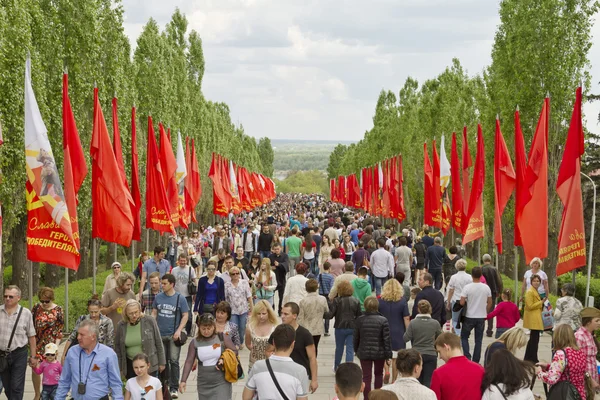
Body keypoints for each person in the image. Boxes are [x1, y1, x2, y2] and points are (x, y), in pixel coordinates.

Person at [56, 319, 123, 400]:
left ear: (93, 337)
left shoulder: (108, 354)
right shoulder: (72, 352)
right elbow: (64, 381)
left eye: (82, 335)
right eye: (78, 334)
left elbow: (115, 384)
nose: (78, 337)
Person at [243, 324, 309, 400]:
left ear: (273, 342)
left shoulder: (258, 366)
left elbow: (246, 397)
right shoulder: (300, 371)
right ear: (293, 344)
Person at [179, 313, 238, 399]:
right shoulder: (194, 343)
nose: (206, 331)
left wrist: (224, 359)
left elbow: (235, 351)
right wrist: (183, 380)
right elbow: (189, 361)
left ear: (214, 327)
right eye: (203, 329)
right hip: (204, 382)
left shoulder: (222, 338)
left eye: (209, 328)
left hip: (221, 381)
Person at [152, 273, 189, 398]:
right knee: (162, 361)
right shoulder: (158, 298)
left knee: (174, 361)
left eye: (164, 283)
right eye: (161, 283)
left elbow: (185, 315)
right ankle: (163, 385)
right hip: (160, 335)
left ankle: (174, 387)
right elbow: (154, 313)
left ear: (172, 284)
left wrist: (179, 330)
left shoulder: (180, 298)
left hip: (173, 335)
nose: (162, 286)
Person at [0, 285, 38, 400]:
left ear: (18, 298)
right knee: (8, 387)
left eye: (11, 296)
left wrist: (33, 356)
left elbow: (32, 336)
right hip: (2, 355)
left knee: (17, 386)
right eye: (5, 296)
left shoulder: (26, 313)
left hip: (19, 354)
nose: (7, 299)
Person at [115, 300, 165, 380]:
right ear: (126, 313)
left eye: (136, 312)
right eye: (130, 313)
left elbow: (158, 342)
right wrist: (120, 367)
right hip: (130, 365)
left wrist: (162, 362)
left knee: (149, 389)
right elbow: (118, 348)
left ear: (140, 310)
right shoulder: (121, 325)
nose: (134, 315)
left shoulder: (149, 321)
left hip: (149, 364)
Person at [354, 296, 392, 399]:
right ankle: (377, 397)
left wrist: (356, 350)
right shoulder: (383, 320)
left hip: (364, 351)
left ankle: (367, 398)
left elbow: (356, 337)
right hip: (379, 352)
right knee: (378, 374)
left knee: (366, 376)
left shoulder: (359, 320)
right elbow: (386, 339)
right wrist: (388, 355)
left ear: (365, 306)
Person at [536, 324, 587, 399]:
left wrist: (539, 372)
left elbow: (551, 379)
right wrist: (548, 366)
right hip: (578, 393)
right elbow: (569, 368)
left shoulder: (561, 354)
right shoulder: (580, 352)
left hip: (565, 394)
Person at [31, 286, 64, 400]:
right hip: (38, 342)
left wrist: (56, 347)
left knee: (50, 368)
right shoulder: (36, 308)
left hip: (51, 345)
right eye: (42, 301)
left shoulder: (58, 309)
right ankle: (36, 394)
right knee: (35, 368)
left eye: (47, 301)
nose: (44, 303)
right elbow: (31, 325)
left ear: (52, 299)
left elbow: (60, 330)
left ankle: (51, 391)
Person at [430, 332, 485, 400]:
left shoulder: (439, 373)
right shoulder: (480, 370)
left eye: (439, 352)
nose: (440, 357)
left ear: (446, 347)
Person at [62, 297, 114, 364]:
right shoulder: (82, 319)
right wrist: (64, 355)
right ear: (88, 309)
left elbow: (110, 342)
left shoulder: (107, 321)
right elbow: (72, 337)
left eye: (96, 312)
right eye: (91, 312)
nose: (93, 315)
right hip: (83, 353)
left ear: (101, 308)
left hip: (100, 354)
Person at [281, 302, 319, 393]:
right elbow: (269, 350)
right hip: (282, 374)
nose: (282, 316)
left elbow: (312, 358)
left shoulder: (305, 334)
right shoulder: (279, 331)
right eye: (281, 313)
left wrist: (314, 380)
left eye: (286, 314)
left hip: (300, 375)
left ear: (294, 316)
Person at [324, 280, 362, 371]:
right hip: (352, 327)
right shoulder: (356, 301)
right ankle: (349, 369)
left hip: (339, 327)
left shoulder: (337, 301)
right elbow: (359, 316)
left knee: (339, 348)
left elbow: (330, 315)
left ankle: (337, 367)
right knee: (350, 349)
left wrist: (322, 313)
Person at [379, 279, 410, 383]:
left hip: (383, 329)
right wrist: (408, 332)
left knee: (384, 353)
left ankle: (386, 370)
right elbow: (406, 318)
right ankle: (394, 379)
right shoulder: (402, 301)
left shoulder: (380, 300)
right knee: (396, 357)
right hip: (398, 330)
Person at [404, 300, 441, 387]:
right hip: (431, 353)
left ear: (418, 309)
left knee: (416, 381)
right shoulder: (435, 323)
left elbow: (406, 338)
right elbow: (440, 338)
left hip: (416, 354)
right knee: (428, 381)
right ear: (430, 309)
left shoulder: (413, 322)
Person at [459, 266, 492, 363]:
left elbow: (461, 302)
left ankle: (467, 356)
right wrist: (485, 310)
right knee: (478, 340)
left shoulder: (467, 287)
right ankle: (476, 360)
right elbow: (489, 302)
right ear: (481, 275)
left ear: (472, 275)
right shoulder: (486, 287)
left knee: (464, 337)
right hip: (481, 316)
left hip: (469, 316)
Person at [298, 279, 329, 356]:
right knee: (315, 346)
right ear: (317, 288)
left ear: (306, 288)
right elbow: (326, 310)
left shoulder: (303, 301)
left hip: (306, 328)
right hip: (318, 327)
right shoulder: (323, 299)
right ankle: (314, 361)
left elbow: (300, 317)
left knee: (306, 347)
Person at [245, 300, 277, 373]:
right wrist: (255, 350)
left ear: (269, 313)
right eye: (258, 314)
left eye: (264, 313)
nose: (261, 316)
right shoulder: (250, 327)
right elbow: (248, 344)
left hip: (270, 364)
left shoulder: (274, 328)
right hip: (254, 364)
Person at [225, 266, 253, 348]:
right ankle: (235, 344)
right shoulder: (227, 285)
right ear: (230, 275)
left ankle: (241, 341)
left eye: (237, 273)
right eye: (233, 274)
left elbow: (249, 297)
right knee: (234, 328)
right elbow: (226, 299)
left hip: (243, 310)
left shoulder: (244, 282)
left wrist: (252, 309)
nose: (235, 275)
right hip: (232, 310)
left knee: (242, 328)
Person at [171, 254, 197, 335]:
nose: (183, 262)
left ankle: (189, 331)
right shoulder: (174, 270)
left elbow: (195, 281)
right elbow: (171, 282)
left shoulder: (190, 269)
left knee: (188, 315)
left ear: (187, 261)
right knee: (177, 314)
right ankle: (177, 330)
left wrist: (195, 293)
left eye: (184, 261)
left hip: (187, 296)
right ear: (178, 261)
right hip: (177, 295)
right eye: (181, 260)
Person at [575, 307, 600, 391]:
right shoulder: (579, 336)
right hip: (584, 381)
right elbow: (578, 362)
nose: (599, 323)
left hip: (591, 379)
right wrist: (591, 380)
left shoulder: (590, 335)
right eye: (597, 321)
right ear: (588, 322)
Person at [445, 259, 471, 335]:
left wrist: (448, 301)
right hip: (466, 301)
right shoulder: (469, 277)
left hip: (456, 300)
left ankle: (458, 333)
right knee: (465, 319)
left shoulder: (454, 277)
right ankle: (464, 334)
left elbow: (451, 290)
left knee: (455, 320)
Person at [523, 274, 544, 363]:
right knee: (534, 340)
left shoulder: (535, 291)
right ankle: (533, 358)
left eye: (538, 281)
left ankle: (529, 357)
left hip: (536, 316)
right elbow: (530, 305)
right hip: (533, 318)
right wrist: (541, 302)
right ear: (531, 282)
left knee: (534, 339)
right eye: (534, 281)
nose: (536, 282)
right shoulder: (530, 292)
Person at [481, 254, 503, 337]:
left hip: (482, 292)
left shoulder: (481, 269)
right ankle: (489, 330)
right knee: (491, 311)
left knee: (482, 310)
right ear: (490, 260)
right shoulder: (495, 269)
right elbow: (499, 281)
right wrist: (499, 291)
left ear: (483, 260)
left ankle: (481, 327)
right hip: (493, 292)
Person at [317, 261, 335, 336]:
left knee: (320, 312)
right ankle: (326, 330)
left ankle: (319, 328)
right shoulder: (331, 277)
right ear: (329, 268)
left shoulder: (320, 275)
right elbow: (332, 287)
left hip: (321, 295)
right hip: (328, 296)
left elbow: (317, 284)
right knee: (327, 312)